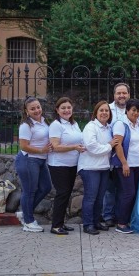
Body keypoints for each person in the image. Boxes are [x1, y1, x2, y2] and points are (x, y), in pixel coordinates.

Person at [78, 101, 119, 235]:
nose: (104, 113)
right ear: (95, 113)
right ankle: (88, 224)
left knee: (100, 197)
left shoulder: (108, 128)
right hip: (90, 167)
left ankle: (96, 221)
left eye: (107, 110)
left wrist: (109, 145)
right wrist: (109, 146)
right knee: (91, 197)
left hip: (104, 167)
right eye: (101, 110)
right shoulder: (91, 127)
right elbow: (92, 147)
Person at [15, 97, 53, 232]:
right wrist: (41, 150)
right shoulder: (26, 125)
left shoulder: (43, 122)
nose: (37, 110)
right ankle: (29, 222)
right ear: (26, 111)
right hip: (28, 160)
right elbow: (24, 146)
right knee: (30, 191)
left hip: (41, 160)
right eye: (32, 109)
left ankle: (25, 213)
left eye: (38, 107)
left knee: (46, 187)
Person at [48, 97, 85, 235]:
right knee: (62, 193)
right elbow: (56, 147)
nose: (66, 110)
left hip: (71, 164)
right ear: (57, 110)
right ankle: (56, 226)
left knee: (66, 193)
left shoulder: (73, 124)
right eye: (63, 108)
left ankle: (61, 223)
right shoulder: (56, 125)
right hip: (59, 165)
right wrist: (75, 147)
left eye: (68, 107)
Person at [112, 99, 139, 234]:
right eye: (133, 110)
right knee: (128, 193)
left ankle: (127, 220)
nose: (135, 113)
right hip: (126, 165)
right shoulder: (121, 124)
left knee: (134, 193)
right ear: (127, 110)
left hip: (138, 164)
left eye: (138, 111)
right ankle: (121, 223)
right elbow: (117, 144)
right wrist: (124, 163)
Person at [102, 83, 131, 228]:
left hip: (127, 157)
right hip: (109, 155)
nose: (121, 96)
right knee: (110, 188)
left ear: (128, 95)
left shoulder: (133, 108)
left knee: (124, 189)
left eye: (124, 93)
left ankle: (121, 215)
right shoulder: (107, 108)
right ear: (114, 95)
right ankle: (108, 216)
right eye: (119, 93)